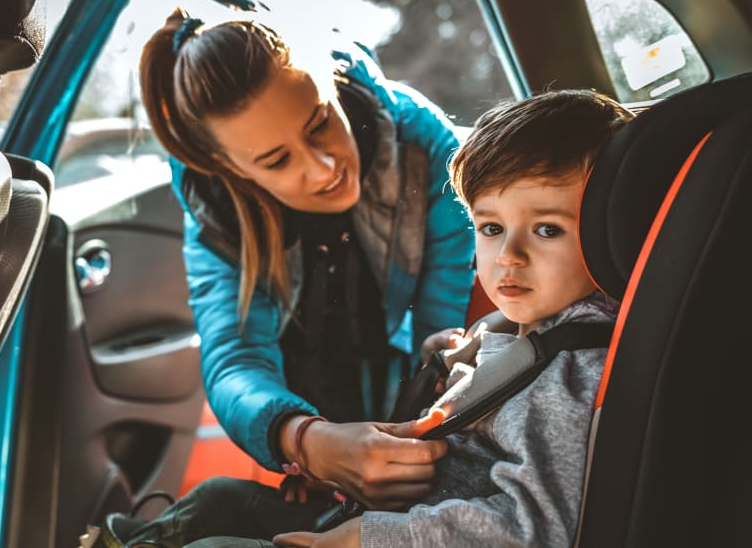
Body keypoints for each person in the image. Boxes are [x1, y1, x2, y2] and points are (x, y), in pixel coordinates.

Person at [112, 88, 634, 547]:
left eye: (547, 230)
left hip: (406, 532)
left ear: (609, 229)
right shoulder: (511, 329)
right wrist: (443, 367)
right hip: (402, 514)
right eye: (491, 228)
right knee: (218, 498)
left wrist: (370, 536)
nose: (508, 258)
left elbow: (536, 529)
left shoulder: (571, 373)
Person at [138, 6, 476, 510]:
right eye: (277, 160)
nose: (323, 170)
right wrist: (306, 442)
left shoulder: (425, 146)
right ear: (231, 168)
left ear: (331, 83)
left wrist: (413, 431)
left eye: (320, 122)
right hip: (302, 378)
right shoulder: (218, 213)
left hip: (394, 360)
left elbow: (441, 319)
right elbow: (236, 360)